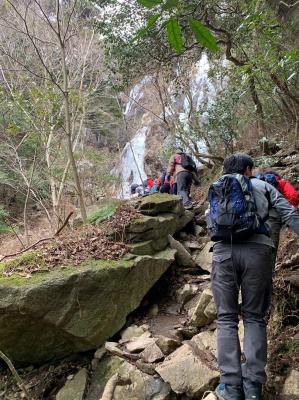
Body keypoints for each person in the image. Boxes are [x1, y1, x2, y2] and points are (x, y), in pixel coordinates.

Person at [207, 154, 299, 400]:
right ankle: (253, 388)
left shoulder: (218, 189)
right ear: (248, 169)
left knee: (226, 318)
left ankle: (231, 387)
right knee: (254, 317)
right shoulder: (263, 185)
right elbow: (289, 212)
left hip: (223, 254)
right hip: (258, 253)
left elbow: (210, 224)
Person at [256, 170, 299, 254]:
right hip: (276, 214)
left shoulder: (257, 183)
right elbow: (293, 195)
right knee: (272, 245)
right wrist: (289, 204)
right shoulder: (281, 182)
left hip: (259, 216)